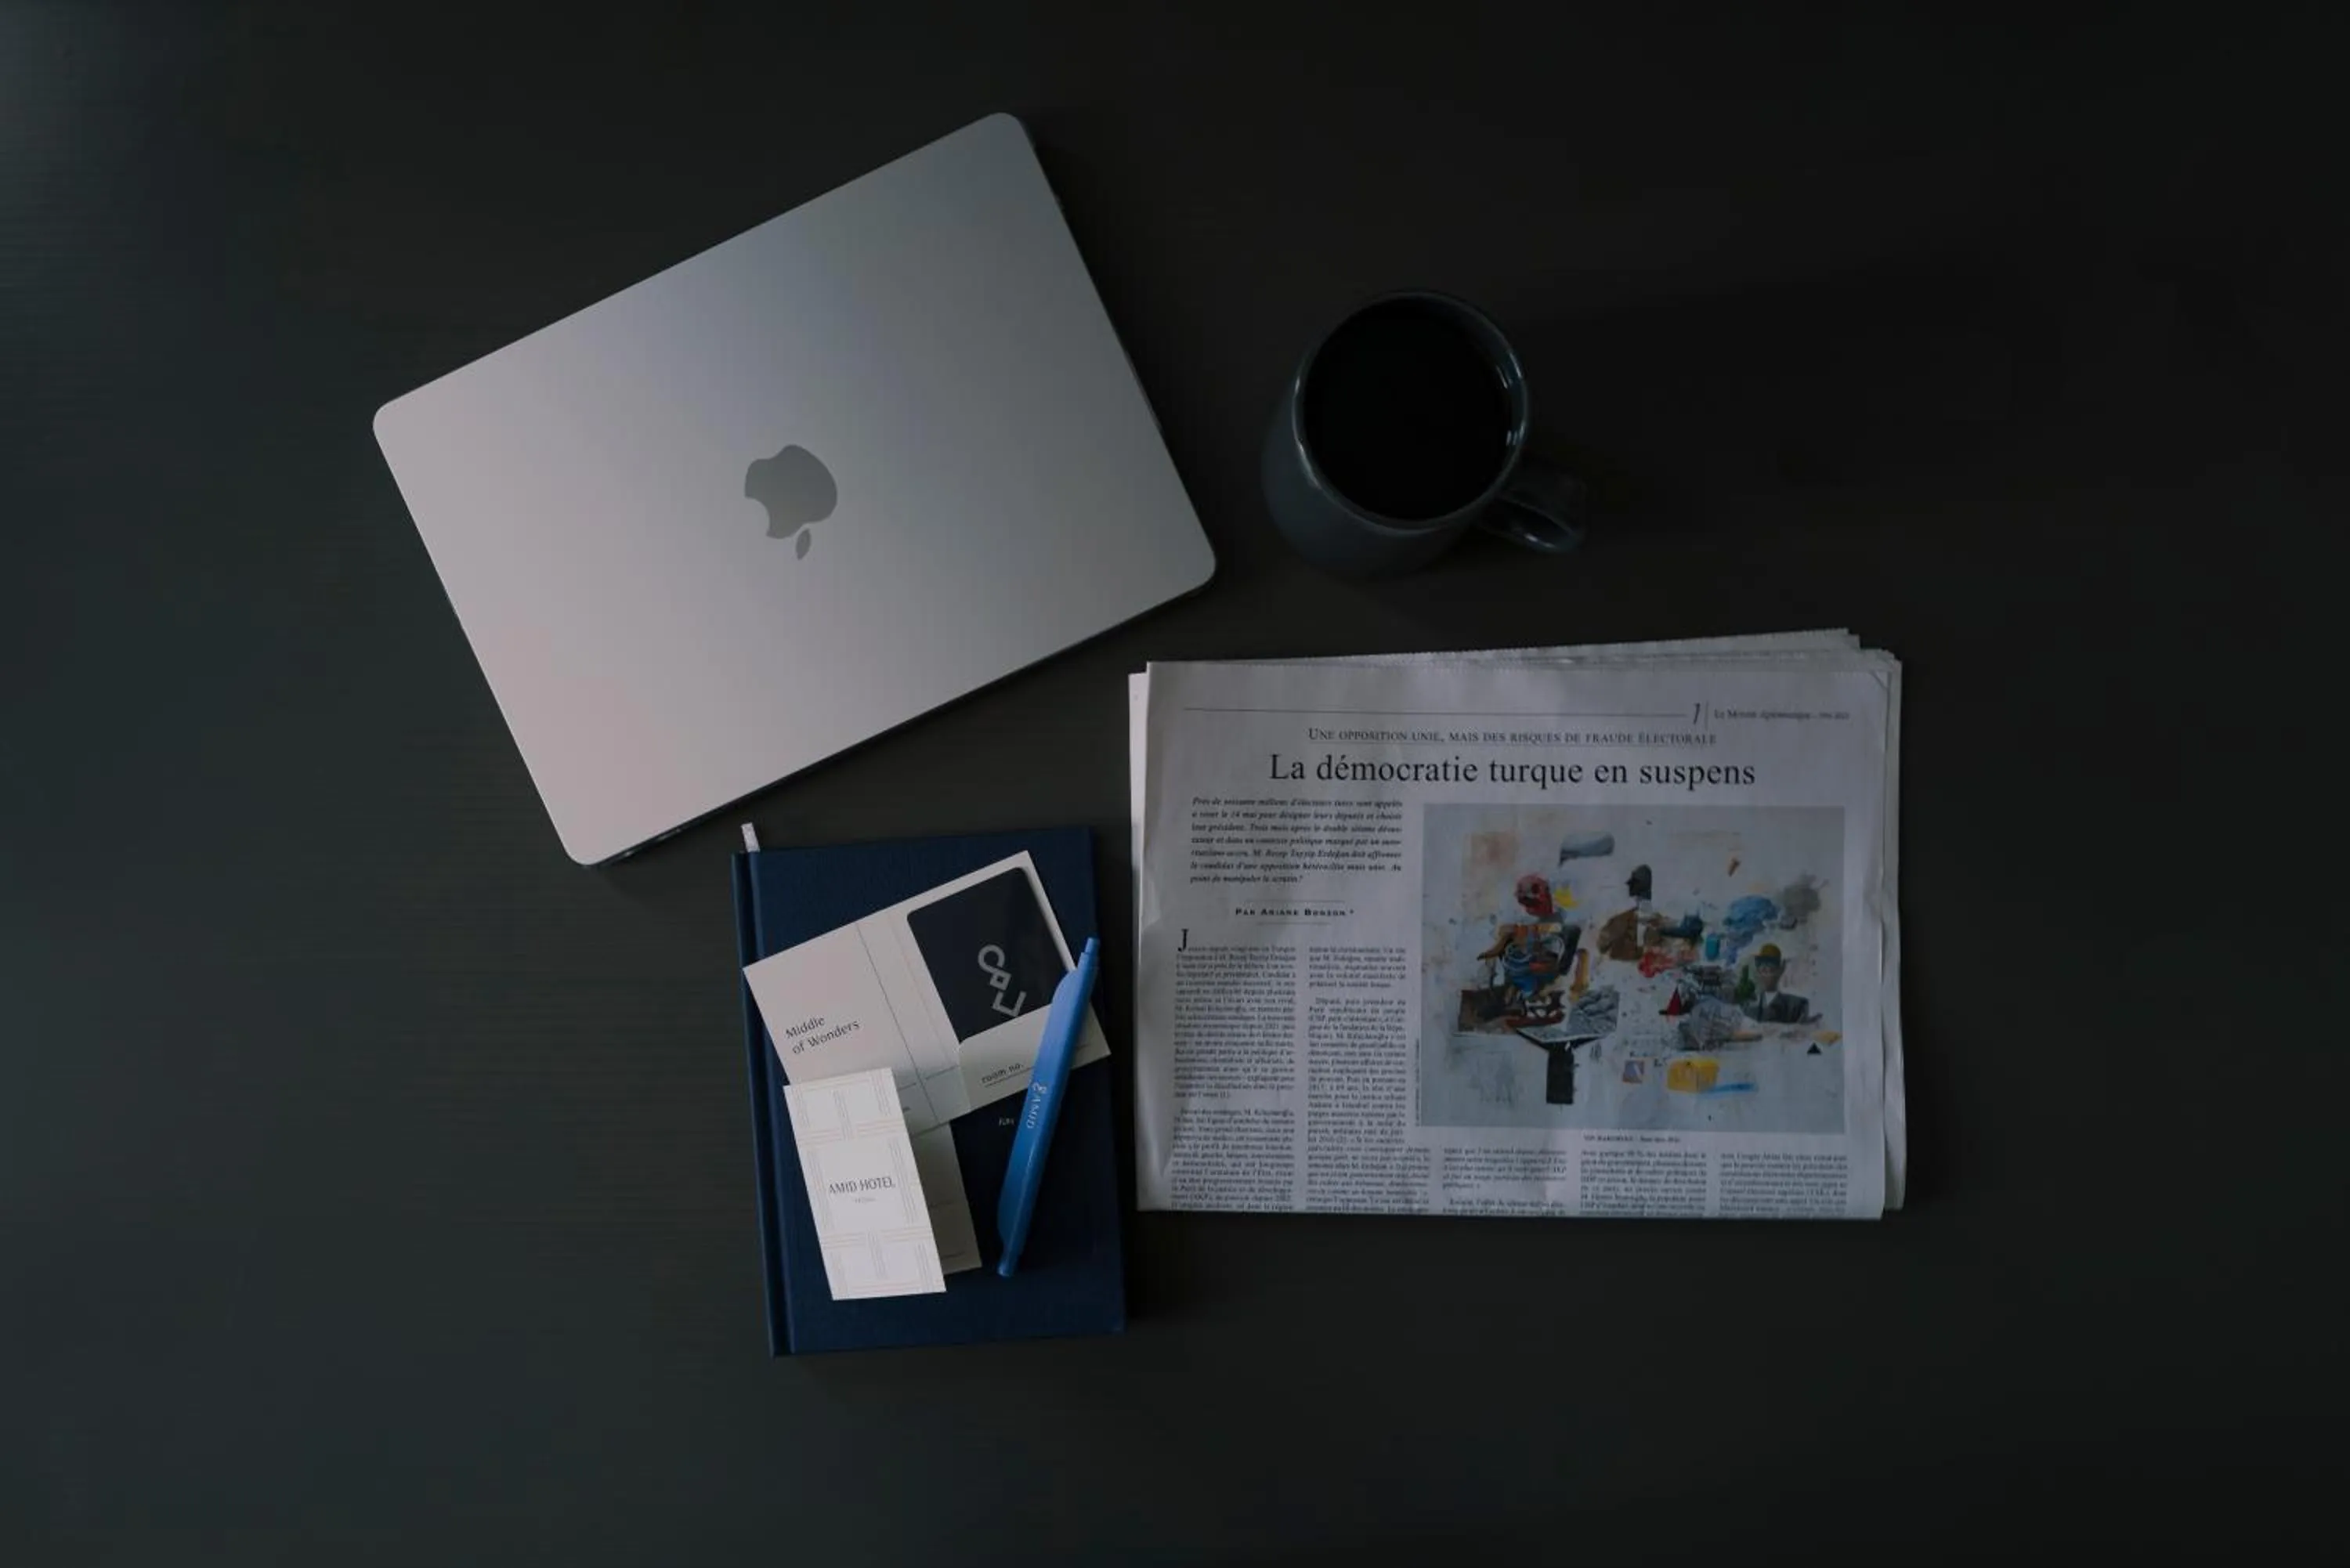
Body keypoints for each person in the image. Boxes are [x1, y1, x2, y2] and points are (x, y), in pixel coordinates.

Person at [1741, 942, 1810, 1023]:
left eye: (1770, 964)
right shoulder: (1748, 1006)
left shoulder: (1796, 1006)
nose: (1765, 970)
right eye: (1760, 964)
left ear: (1780, 969)